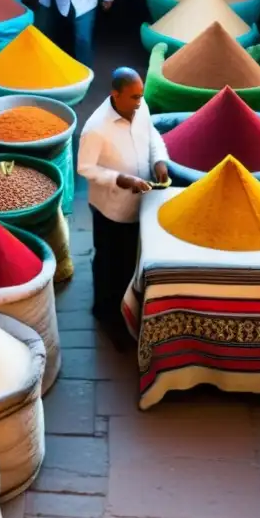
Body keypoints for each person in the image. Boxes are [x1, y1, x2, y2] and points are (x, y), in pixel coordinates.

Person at [77, 68, 169, 339]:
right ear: (114, 95)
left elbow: (152, 136)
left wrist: (159, 160)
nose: (139, 101)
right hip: (111, 209)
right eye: (133, 97)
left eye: (141, 95)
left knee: (129, 260)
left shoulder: (142, 108)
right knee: (108, 262)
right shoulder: (95, 129)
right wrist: (120, 179)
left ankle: (127, 310)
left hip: (140, 203)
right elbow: (85, 168)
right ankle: (106, 315)